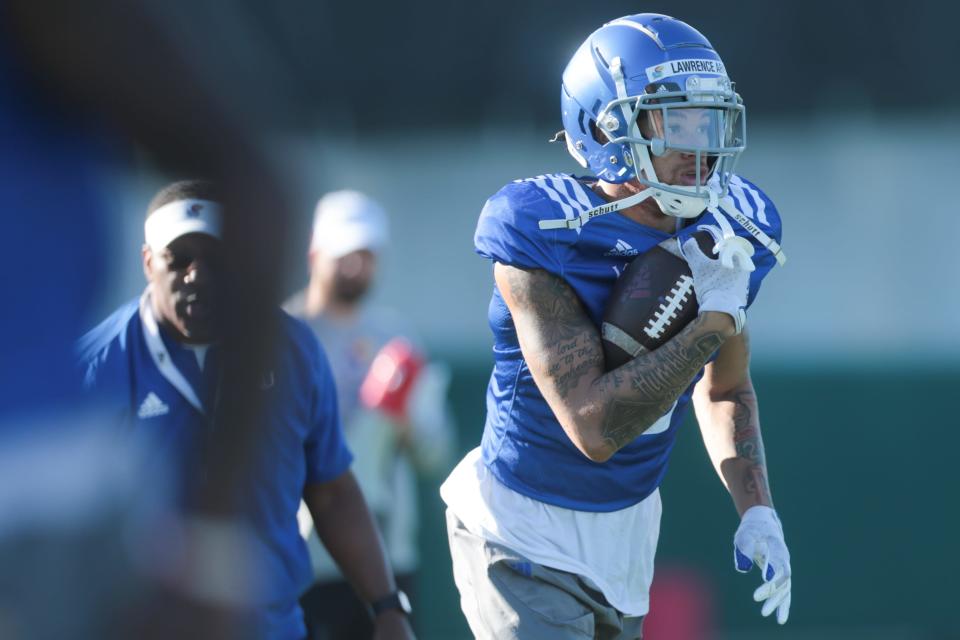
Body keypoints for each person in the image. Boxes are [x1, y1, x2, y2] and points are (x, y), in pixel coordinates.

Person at [440, 13, 791, 640]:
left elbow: (724, 389)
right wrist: (711, 323)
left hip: (627, 538)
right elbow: (594, 428)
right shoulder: (543, 228)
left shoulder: (735, 222)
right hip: (519, 529)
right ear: (605, 126)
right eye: (675, 123)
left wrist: (757, 508)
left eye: (709, 121)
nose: (700, 147)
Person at [77, 180, 416, 640]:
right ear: (147, 263)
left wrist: (387, 607)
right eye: (178, 260)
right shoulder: (97, 368)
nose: (196, 276)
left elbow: (331, 490)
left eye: (214, 259)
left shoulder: (292, 349)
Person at [287, 190, 455, 640]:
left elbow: (433, 451)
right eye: (346, 254)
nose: (357, 266)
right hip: (307, 556)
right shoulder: (286, 334)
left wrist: (403, 420)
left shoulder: (395, 335)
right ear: (315, 253)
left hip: (388, 555)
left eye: (366, 254)